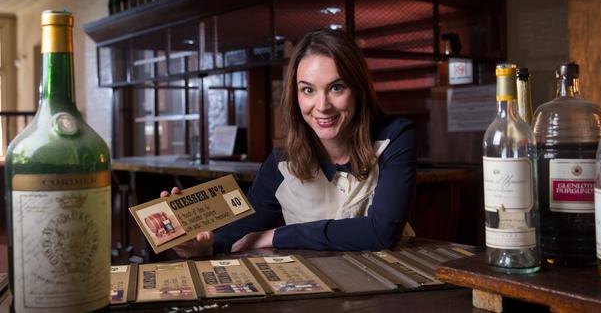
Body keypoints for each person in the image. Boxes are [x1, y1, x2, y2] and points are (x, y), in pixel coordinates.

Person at [161, 29, 417, 258]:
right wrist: (204, 245)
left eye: (336, 88)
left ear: (358, 90)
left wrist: (276, 236)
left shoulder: (395, 138)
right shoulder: (281, 163)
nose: (322, 106)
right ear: (295, 96)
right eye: (308, 90)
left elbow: (380, 232)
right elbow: (242, 232)